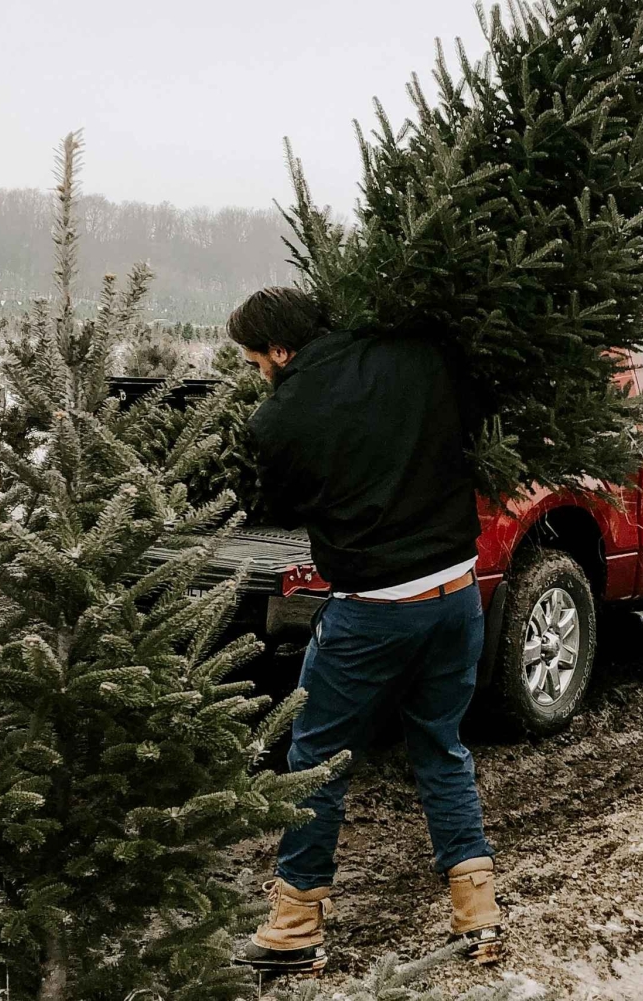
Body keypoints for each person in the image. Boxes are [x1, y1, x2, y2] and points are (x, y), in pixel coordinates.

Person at [227, 287, 504, 975]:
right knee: (441, 745)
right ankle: (479, 918)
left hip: (373, 609)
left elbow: (282, 504)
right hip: (457, 593)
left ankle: (293, 928)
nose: (261, 373)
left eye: (259, 360)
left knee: (317, 758)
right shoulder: (419, 352)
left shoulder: (279, 419)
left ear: (281, 350)